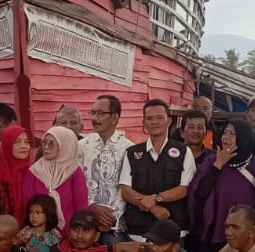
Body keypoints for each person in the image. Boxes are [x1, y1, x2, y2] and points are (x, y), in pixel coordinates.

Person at [188, 118, 255, 252]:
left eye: (232, 134)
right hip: (214, 235)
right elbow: (199, 193)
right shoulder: (211, 161)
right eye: (225, 132)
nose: (226, 137)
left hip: (246, 238)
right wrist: (218, 164)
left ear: (243, 137)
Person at [120, 98, 195, 241]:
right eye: (149, 118)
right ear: (143, 123)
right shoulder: (132, 153)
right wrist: (153, 208)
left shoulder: (183, 151)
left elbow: (185, 188)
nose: (154, 122)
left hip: (173, 231)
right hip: (139, 233)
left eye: (160, 117)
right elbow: (126, 190)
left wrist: (156, 198)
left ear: (169, 121)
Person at [81, 94, 130, 240]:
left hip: (114, 226)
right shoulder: (82, 146)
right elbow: (76, 182)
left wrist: (111, 217)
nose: (94, 118)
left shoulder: (128, 149)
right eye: (93, 113)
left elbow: (127, 187)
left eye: (100, 113)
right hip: (85, 223)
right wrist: (91, 206)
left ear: (115, 117)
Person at [25, 125, 90, 228]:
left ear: (65, 146)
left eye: (51, 144)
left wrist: (77, 230)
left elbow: (81, 206)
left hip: (70, 229)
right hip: (40, 230)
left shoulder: (74, 172)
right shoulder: (34, 171)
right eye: (44, 143)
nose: (46, 147)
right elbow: (28, 203)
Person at [0, 125, 37, 221]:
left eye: (26, 142)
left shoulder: (33, 172)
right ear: (7, 144)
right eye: (17, 142)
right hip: (6, 225)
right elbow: (2, 209)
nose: (24, 146)